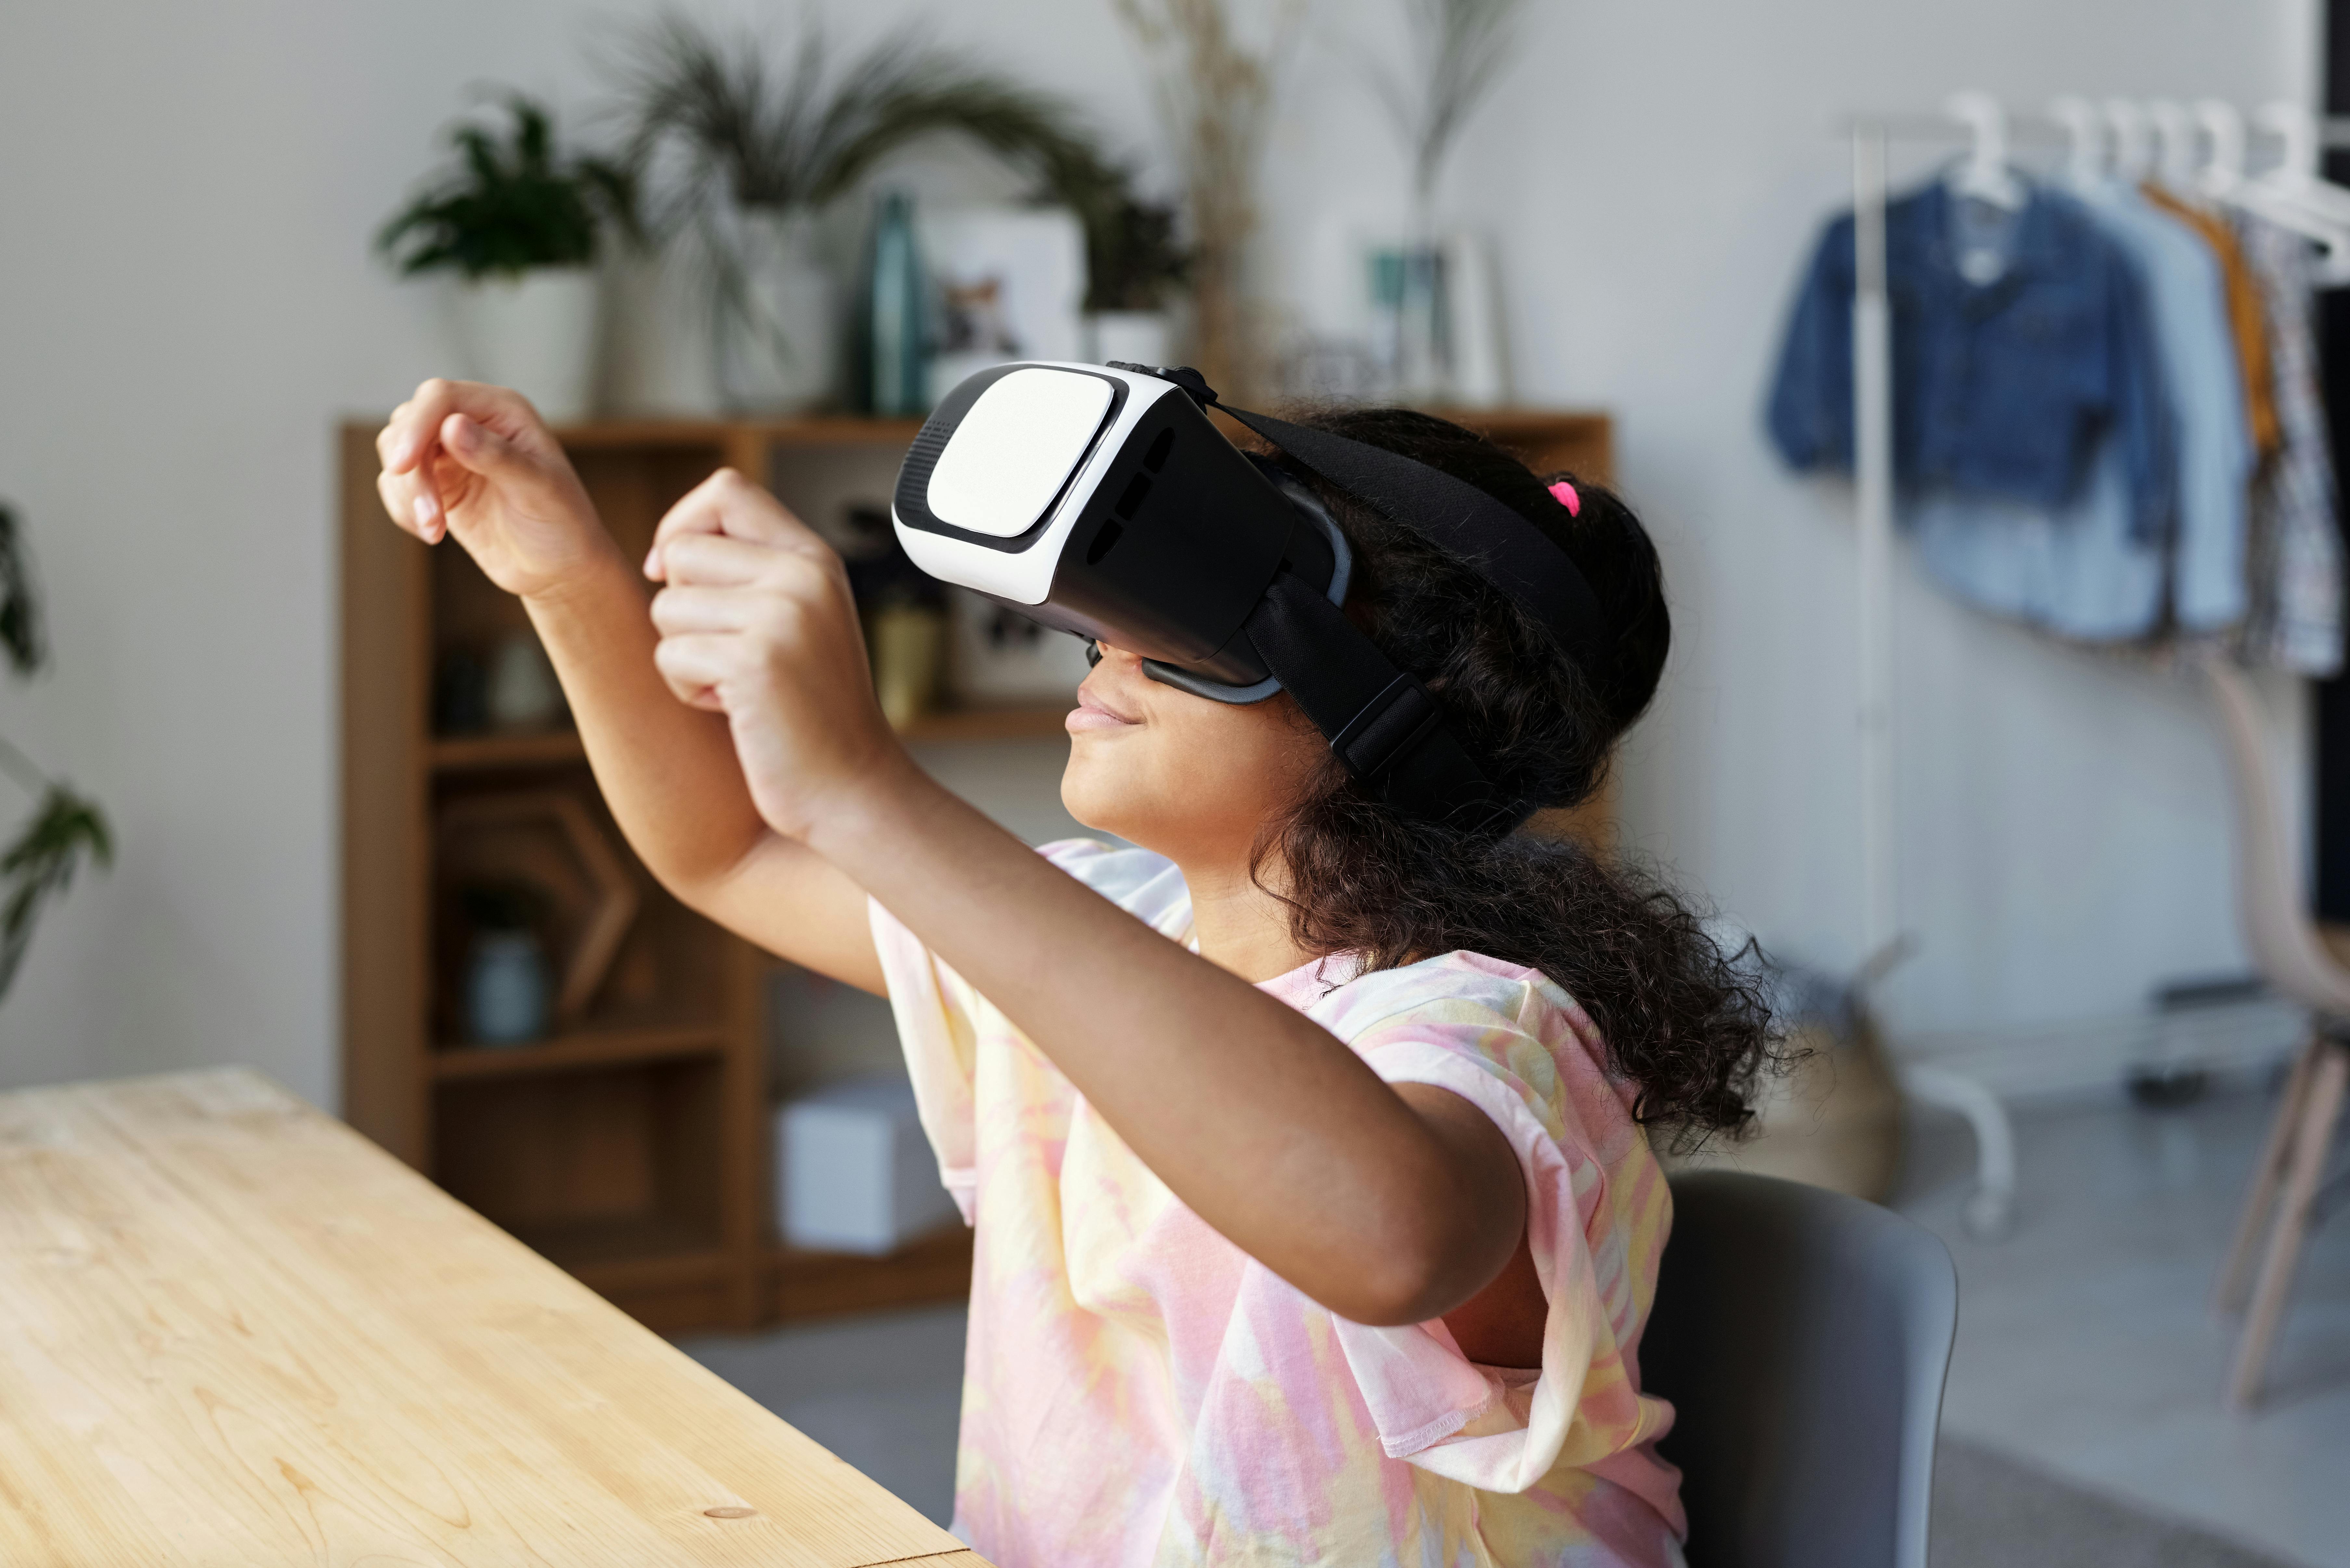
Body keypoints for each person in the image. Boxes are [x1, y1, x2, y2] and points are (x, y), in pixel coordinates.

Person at [375, 378, 1771, 1568]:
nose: (1107, 638)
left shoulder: (1487, 1031)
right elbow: (728, 849)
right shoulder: (1096, 926)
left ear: (1389, 709)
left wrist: (871, 794)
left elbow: (1389, 1234)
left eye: (1185, 616)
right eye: (1107, 604)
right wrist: (566, 575)